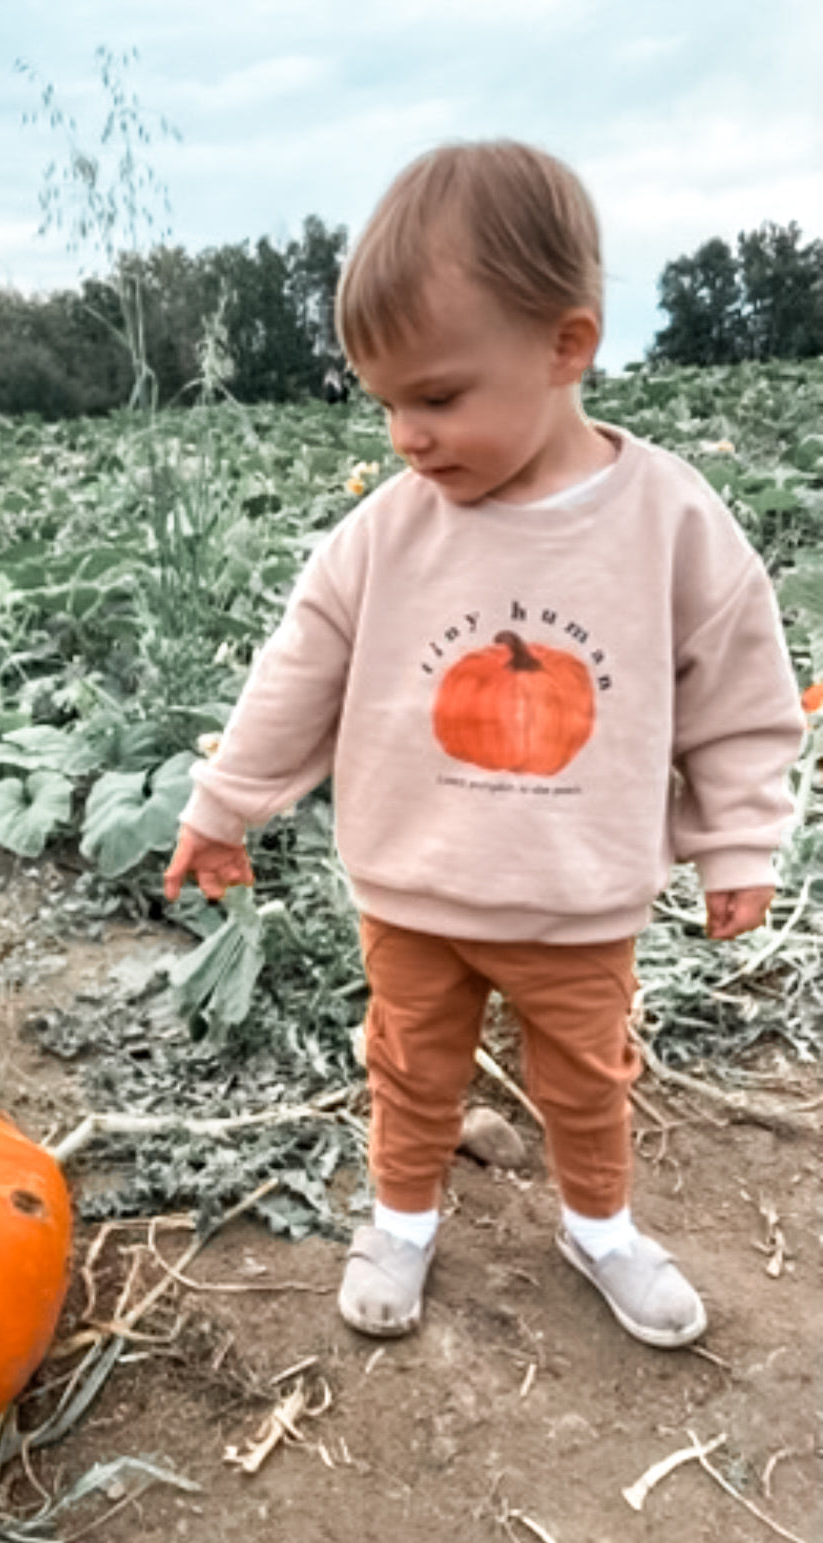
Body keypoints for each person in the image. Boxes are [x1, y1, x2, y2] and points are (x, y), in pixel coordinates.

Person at [162, 140, 805, 1349]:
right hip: (416, 884)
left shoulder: (667, 519)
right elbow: (298, 668)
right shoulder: (385, 533)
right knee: (409, 1068)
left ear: (567, 348)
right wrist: (224, 801)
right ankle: (401, 1218)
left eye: (440, 397)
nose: (407, 434)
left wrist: (738, 840)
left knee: (585, 1076)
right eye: (387, 404)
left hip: (578, 894)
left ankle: (599, 1225)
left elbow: (739, 687)